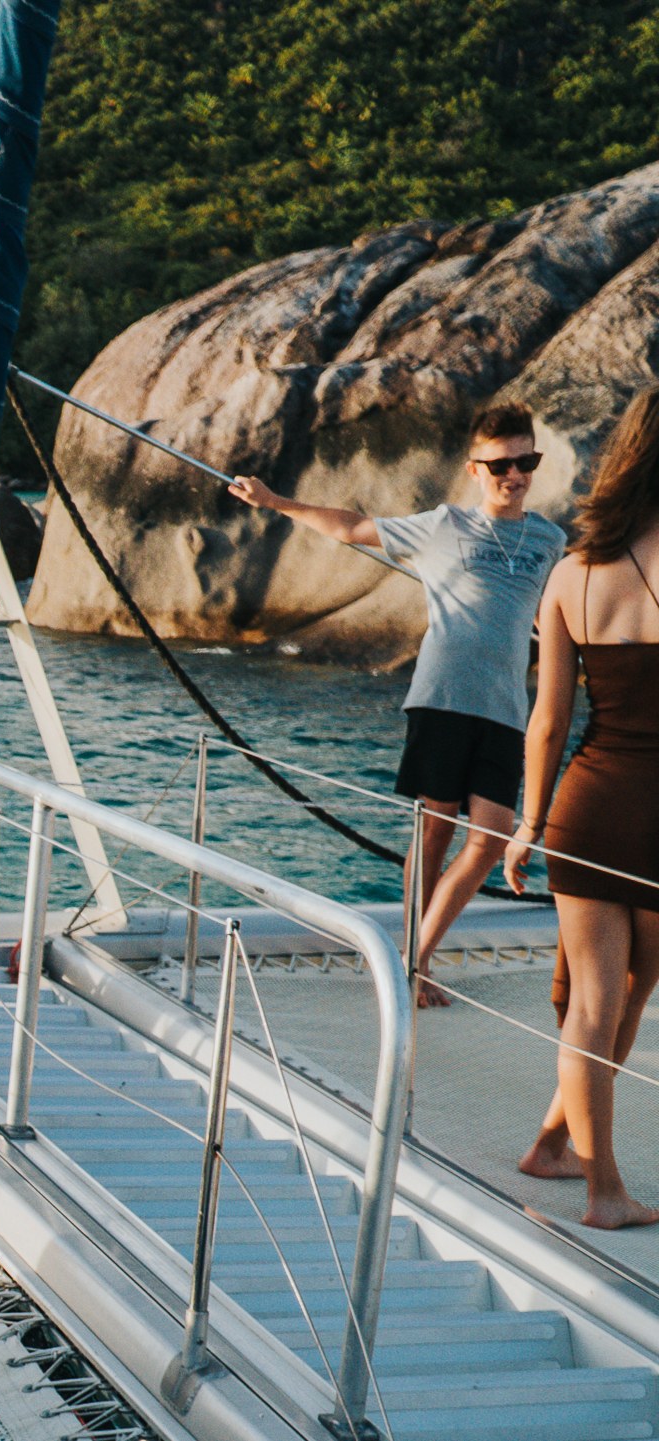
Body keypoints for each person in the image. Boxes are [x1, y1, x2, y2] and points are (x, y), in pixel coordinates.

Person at [231, 402, 566, 1006]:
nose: (514, 475)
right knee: (434, 832)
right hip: (441, 697)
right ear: (474, 469)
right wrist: (277, 503)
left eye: (526, 461)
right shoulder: (445, 526)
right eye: (500, 465)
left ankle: (413, 955)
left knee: (490, 840)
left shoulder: (550, 539)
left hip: (506, 708)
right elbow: (354, 527)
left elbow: (557, 610)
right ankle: (419, 963)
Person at [506, 389, 659, 1229]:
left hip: (588, 802)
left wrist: (528, 823)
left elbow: (550, 719)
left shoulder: (572, 570)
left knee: (596, 1000)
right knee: (630, 997)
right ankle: (603, 1194)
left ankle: (562, 1153)